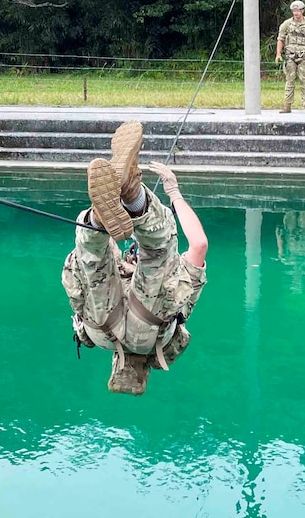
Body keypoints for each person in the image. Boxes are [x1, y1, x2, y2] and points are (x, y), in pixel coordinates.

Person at [61, 122, 208, 395]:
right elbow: (99, 261)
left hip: (150, 330)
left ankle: (134, 198)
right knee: (94, 257)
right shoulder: (103, 343)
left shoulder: (166, 337)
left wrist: (173, 192)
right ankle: (98, 218)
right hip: (101, 330)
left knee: (158, 250)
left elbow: (199, 245)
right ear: (115, 365)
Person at [275, 0, 305, 114]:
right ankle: (287, 105)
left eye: (298, 11)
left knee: (304, 80)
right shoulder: (286, 24)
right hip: (290, 55)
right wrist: (278, 54)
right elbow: (280, 39)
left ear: (302, 11)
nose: (296, 13)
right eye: (294, 11)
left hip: (304, 56)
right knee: (289, 80)